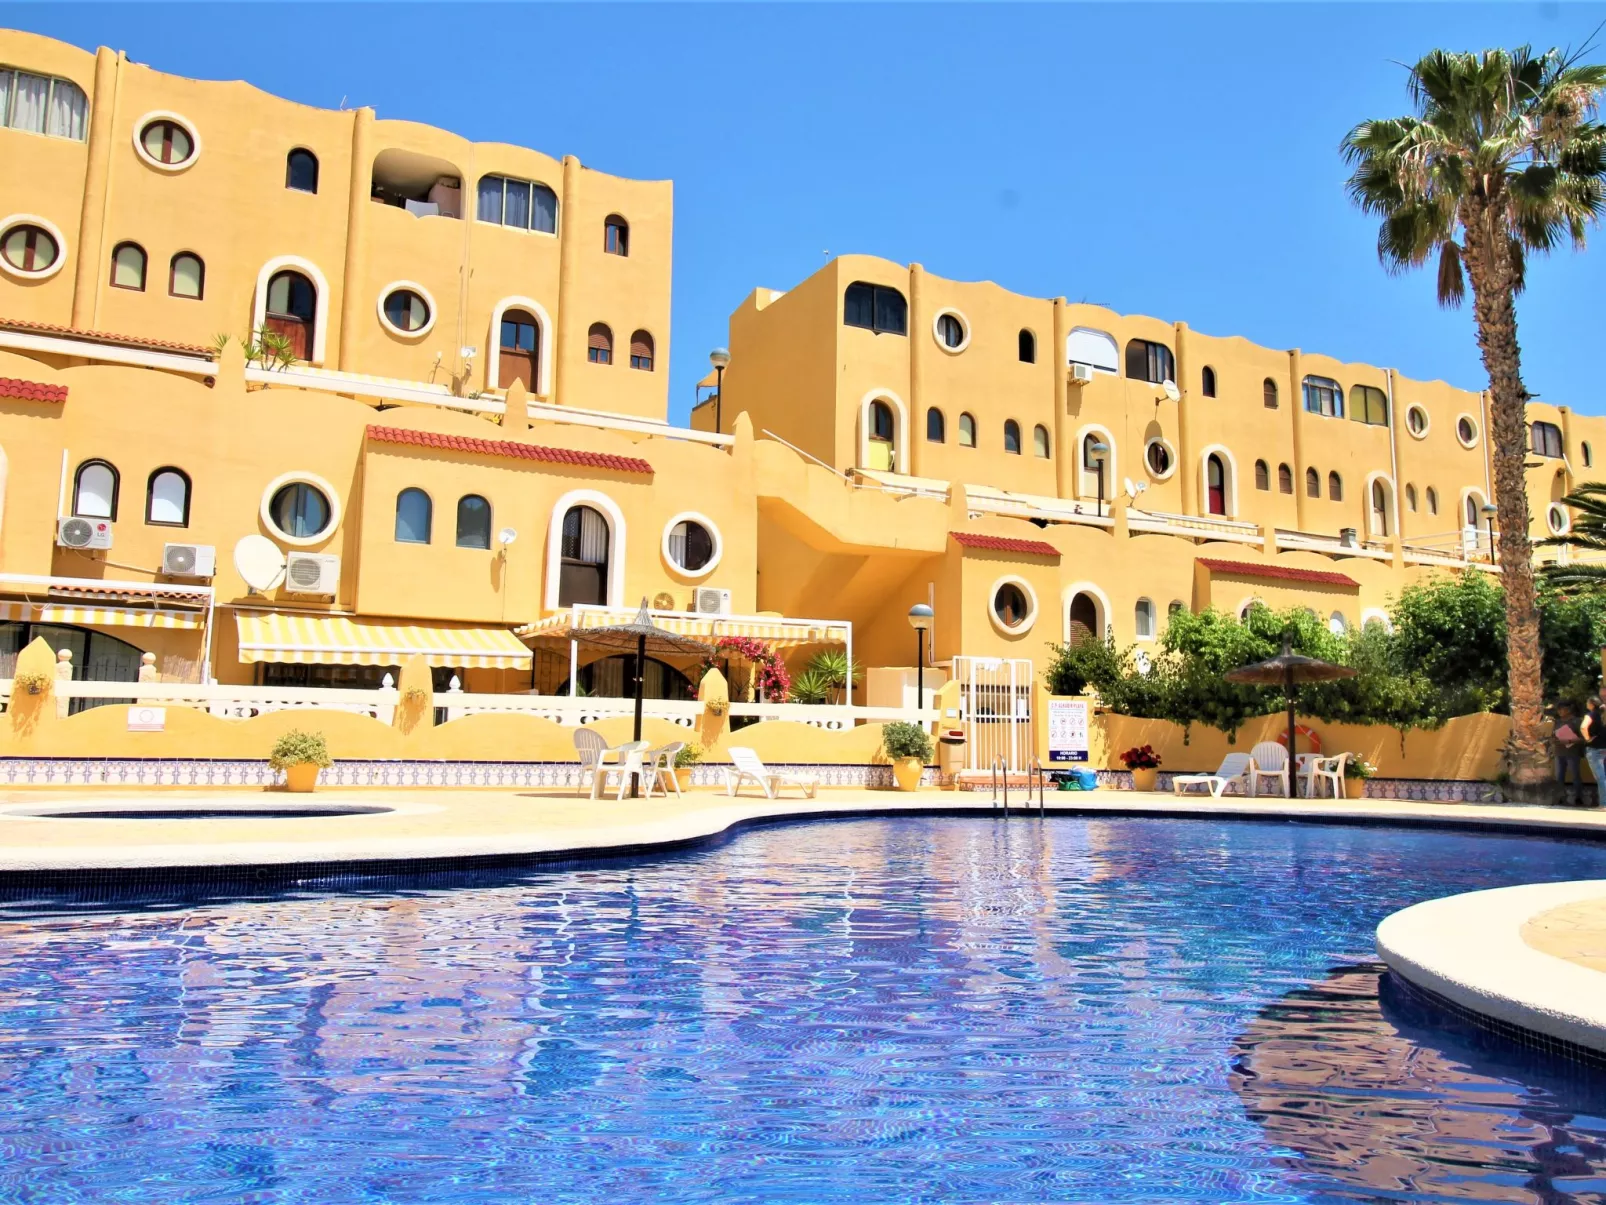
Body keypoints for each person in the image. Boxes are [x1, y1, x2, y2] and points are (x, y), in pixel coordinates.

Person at [1553, 701, 1584, 807]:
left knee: (1575, 776)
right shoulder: (1557, 722)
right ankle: (1560, 798)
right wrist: (1554, 740)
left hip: (1572, 753)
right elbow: (1554, 735)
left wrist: (1570, 741)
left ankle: (1578, 798)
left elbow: (1583, 738)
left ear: (1569, 709)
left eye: (1562, 709)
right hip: (1559, 752)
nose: (1559, 711)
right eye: (1558, 709)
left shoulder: (1576, 721)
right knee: (1559, 777)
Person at [1582, 696, 1606, 808]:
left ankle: (1604, 804)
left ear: (1591, 704)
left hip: (1595, 749)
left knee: (1601, 778)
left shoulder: (1591, 715)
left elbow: (1583, 727)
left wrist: (1587, 739)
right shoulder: (1603, 715)